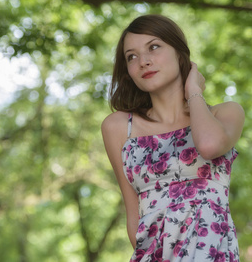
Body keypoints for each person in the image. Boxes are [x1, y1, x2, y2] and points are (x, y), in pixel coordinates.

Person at [101, 14, 244, 261]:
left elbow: (208, 146)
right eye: (131, 57)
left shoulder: (225, 113)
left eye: (153, 47)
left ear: (179, 52)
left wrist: (194, 92)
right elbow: (133, 216)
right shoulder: (118, 127)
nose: (143, 61)